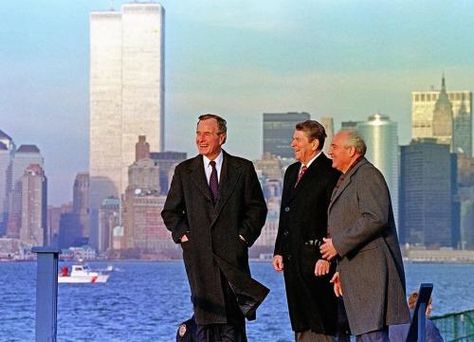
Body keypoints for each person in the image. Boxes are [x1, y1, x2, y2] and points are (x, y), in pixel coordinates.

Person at [161, 113, 269, 342]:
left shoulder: (242, 168)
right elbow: (170, 212)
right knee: (205, 322)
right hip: (199, 259)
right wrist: (184, 237)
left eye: (207, 134)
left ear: (222, 137)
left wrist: (242, 238)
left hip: (232, 260)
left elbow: (257, 209)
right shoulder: (184, 171)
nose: (201, 139)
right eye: (198, 133)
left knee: (232, 324)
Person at [320, 129, 410, 341]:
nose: (330, 151)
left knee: (372, 337)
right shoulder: (351, 177)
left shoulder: (367, 175)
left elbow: (375, 217)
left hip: (370, 279)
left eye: (334, 147)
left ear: (351, 151)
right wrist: (342, 270)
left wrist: (337, 245)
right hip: (359, 276)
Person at [272, 120, 341, 342]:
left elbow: (335, 218)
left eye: (298, 140)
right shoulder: (292, 172)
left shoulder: (330, 172)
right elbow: (286, 213)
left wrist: (327, 258)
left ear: (314, 143)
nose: (292, 144)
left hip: (317, 263)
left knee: (321, 323)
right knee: (300, 322)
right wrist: (279, 250)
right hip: (293, 262)